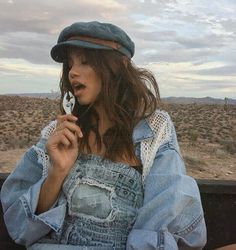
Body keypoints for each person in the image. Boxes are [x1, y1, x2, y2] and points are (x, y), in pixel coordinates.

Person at [0, 21, 207, 250]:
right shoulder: (59, 134)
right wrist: (57, 172)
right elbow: (19, 224)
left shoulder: (153, 130)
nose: (72, 72)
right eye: (69, 64)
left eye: (85, 62)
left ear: (116, 67)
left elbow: (167, 207)